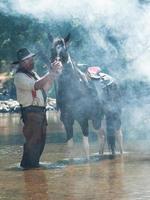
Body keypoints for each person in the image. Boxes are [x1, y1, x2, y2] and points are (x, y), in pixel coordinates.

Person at [13, 48, 62, 169]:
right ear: (23, 62)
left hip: (39, 112)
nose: (32, 60)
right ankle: (28, 168)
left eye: (31, 58)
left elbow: (45, 87)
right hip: (31, 113)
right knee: (33, 142)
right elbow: (36, 85)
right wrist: (50, 73)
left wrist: (53, 75)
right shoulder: (19, 76)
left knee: (40, 141)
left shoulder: (33, 74)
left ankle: (32, 168)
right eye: (29, 59)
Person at [86, 66, 123, 155]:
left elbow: (91, 100)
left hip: (105, 106)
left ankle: (101, 153)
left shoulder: (89, 82)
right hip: (113, 105)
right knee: (117, 129)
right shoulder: (111, 80)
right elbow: (119, 96)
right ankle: (121, 152)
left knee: (102, 131)